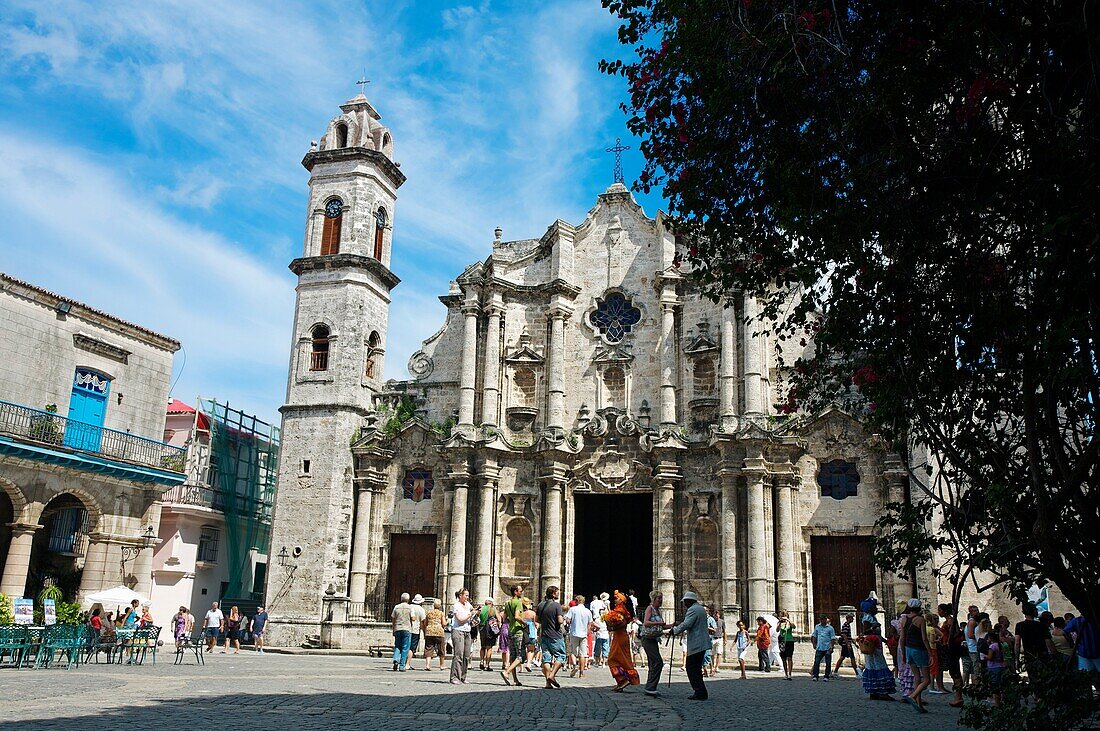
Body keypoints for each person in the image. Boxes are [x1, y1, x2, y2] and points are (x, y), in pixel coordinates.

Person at [670, 591, 710, 700]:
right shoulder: (700, 609)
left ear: (689, 601)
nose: (684, 604)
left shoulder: (692, 609)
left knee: (691, 668)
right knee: (696, 668)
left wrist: (675, 630)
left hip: (697, 643)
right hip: (702, 642)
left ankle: (699, 691)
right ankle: (701, 691)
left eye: (685, 602)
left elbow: (687, 623)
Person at [857, 595, 896, 701]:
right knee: (879, 666)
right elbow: (865, 631)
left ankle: (874, 692)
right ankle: (882, 692)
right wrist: (873, 627)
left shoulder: (871, 617)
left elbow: (877, 634)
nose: (876, 609)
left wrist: (885, 640)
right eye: (874, 607)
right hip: (873, 647)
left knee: (873, 666)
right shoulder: (867, 618)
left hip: (877, 645)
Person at [898, 599, 931, 714]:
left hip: (908, 649)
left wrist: (903, 652)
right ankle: (913, 696)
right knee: (927, 679)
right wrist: (930, 652)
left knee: (917, 676)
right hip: (919, 649)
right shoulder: (921, 620)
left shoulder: (904, 619)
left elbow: (902, 638)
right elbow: (924, 638)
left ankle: (919, 704)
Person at [605, 590, 640, 692]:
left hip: (620, 637)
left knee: (612, 659)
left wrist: (612, 626)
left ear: (620, 600)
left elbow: (622, 623)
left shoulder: (620, 609)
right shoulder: (622, 609)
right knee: (621, 659)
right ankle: (620, 682)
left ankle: (623, 680)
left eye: (616, 598)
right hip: (620, 636)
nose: (614, 600)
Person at [640, 590, 671, 696]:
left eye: (661, 598)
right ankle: (650, 686)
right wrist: (659, 623)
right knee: (658, 662)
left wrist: (672, 625)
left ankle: (650, 687)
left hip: (653, 639)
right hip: (647, 639)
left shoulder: (658, 611)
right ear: (654, 599)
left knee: (653, 663)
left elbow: (662, 626)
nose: (661, 601)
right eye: (659, 599)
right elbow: (646, 622)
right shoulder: (650, 608)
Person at [1014, 602, 1055, 678]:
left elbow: (1017, 643)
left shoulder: (1019, 625)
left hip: (1029, 656)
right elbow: (1048, 642)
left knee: (1033, 678)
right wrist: (1055, 656)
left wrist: (1017, 659)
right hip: (1042, 655)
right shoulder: (1041, 625)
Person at [536, 585, 566, 689]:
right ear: (553, 594)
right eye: (557, 592)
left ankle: (548, 683)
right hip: (556, 635)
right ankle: (552, 675)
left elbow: (537, 619)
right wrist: (564, 619)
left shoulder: (540, 605)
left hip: (544, 635)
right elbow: (560, 621)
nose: (558, 594)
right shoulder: (556, 605)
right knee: (561, 656)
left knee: (546, 658)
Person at [500, 585, 527, 685]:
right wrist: (524, 623)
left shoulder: (508, 603)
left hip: (510, 630)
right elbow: (516, 616)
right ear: (515, 592)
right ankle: (507, 672)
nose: (521, 592)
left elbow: (504, 618)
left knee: (513, 656)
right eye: (520, 591)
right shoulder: (518, 602)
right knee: (521, 656)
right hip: (518, 631)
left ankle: (515, 680)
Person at [449, 587, 475, 684]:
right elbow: (460, 619)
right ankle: (454, 677)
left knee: (467, 655)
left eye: (468, 595)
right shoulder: (456, 606)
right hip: (458, 631)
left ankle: (463, 676)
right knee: (458, 654)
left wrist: (475, 613)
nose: (467, 597)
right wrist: (470, 614)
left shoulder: (468, 605)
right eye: (466, 595)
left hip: (467, 631)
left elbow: (472, 614)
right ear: (460, 596)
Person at [564, 594, 593, 678]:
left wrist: (568, 621)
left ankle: (574, 665)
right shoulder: (588, 611)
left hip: (574, 633)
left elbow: (568, 620)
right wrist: (587, 632)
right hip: (583, 634)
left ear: (576, 601)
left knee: (573, 652)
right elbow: (590, 623)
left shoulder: (572, 609)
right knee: (583, 654)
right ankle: (581, 672)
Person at [390, 592, 414, 671]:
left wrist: (394, 628)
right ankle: (401, 666)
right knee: (405, 648)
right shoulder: (410, 608)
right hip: (407, 629)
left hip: (398, 628)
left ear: (401, 599)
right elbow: (413, 618)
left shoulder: (396, 607)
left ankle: (396, 660)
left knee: (397, 646)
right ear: (408, 599)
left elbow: (393, 618)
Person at [420, 598, 446, 671]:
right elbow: (443, 623)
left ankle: (428, 665)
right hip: (439, 632)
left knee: (429, 648)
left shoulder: (429, 612)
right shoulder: (441, 613)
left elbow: (425, 623)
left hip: (429, 631)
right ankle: (442, 665)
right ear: (440, 605)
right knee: (441, 648)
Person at [833, 613, 859, 678]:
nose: (853, 619)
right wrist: (848, 644)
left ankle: (835, 671)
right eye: (852, 618)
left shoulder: (847, 625)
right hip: (846, 645)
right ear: (849, 618)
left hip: (847, 644)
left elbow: (848, 636)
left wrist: (854, 643)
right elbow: (844, 635)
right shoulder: (845, 625)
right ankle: (857, 673)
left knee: (842, 657)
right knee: (852, 658)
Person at [811, 616, 836, 681]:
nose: (822, 621)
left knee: (828, 663)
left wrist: (832, 647)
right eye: (821, 619)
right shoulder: (817, 627)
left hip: (827, 647)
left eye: (823, 619)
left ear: (825, 620)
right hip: (819, 647)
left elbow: (832, 638)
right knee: (816, 662)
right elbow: (814, 635)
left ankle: (826, 676)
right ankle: (815, 675)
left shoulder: (830, 628)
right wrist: (814, 644)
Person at [477, 597, 498, 671]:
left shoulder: (481, 609)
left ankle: (481, 661)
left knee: (483, 646)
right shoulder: (493, 609)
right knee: (489, 647)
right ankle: (487, 664)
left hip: (482, 628)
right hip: (490, 629)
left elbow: (477, 619)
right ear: (491, 603)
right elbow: (499, 619)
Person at [924, 613, 943, 692]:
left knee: (929, 667)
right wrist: (938, 640)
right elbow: (932, 641)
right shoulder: (932, 629)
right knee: (933, 668)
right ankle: (931, 687)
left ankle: (931, 686)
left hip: (926, 649)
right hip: (933, 649)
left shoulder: (925, 628)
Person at [776, 610, 796, 679]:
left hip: (789, 640)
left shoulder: (789, 622)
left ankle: (790, 673)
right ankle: (786, 674)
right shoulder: (780, 623)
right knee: (783, 658)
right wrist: (779, 622)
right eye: (782, 615)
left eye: (785, 615)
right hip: (782, 641)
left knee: (789, 657)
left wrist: (788, 620)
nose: (784, 616)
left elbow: (794, 626)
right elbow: (777, 630)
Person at [711, 609, 725, 676]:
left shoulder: (722, 621)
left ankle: (717, 667)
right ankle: (713, 666)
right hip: (713, 638)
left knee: (719, 653)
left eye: (717, 615)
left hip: (720, 638)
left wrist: (725, 639)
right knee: (712, 654)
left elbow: (724, 630)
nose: (716, 616)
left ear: (719, 615)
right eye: (715, 615)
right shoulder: (712, 621)